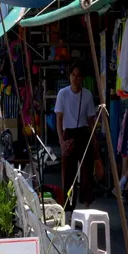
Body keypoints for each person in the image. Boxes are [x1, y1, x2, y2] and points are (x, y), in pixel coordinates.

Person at [54, 62, 101, 212]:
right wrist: (61, 140)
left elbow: (90, 120)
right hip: (69, 133)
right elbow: (59, 117)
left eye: (78, 75)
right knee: (68, 173)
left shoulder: (87, 95)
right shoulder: (63, 93)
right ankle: (68, 209)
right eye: (73, 75)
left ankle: (86, 205)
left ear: (82, 78)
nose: (75, 78)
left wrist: (94, 141)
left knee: (87, 171)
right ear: (69, 76)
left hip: (83, 132)